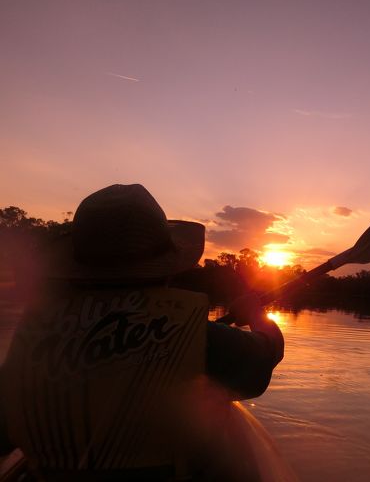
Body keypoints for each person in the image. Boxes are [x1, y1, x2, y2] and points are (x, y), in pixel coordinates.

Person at [0, 184, 284, 480]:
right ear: (168, 269)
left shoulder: (32, 339)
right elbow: (269, 350)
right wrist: (255, 314)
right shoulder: (198, 337)